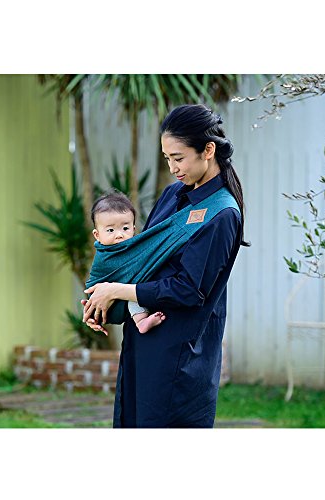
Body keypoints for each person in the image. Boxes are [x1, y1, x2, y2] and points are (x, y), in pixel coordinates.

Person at [83, 103, 250, 428]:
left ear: (208, 150)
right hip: (141, 344)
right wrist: (101, 302)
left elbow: (188, 290)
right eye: (167, 159)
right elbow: (143, 262)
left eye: (178, 158)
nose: (173, 168)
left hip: (179, 357)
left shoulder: (222, 213)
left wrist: (115, 290)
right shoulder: (173, 195)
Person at [86, 190, 166, 334]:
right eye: (110, 230)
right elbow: (94, 284)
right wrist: (91, 312)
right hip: (107, 308)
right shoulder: (104, 256)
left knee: (136, 286)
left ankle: (141, 322)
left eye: (125, 228)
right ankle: (141, 321)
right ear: (97, 235)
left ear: (133, 230)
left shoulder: (135, 247)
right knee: (135, 284)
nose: (119, 235)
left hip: (125, 300)